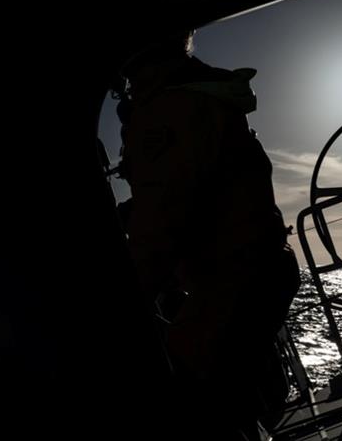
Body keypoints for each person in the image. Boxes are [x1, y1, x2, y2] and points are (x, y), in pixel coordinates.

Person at [118, 30, 299, 434]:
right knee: (224, 401)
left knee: (195, 403)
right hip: (261, 271)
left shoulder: (167, 110)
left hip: (234, 283)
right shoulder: (202, 96)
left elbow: (157, 233)